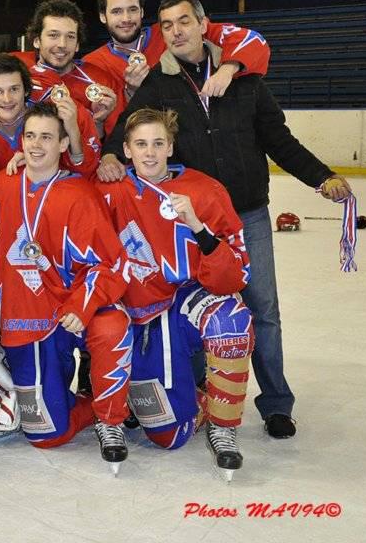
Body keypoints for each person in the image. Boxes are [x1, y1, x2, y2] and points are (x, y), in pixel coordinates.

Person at [98, 0, 353, 439]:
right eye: (166, 25)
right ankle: (200, 393)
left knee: (263, 309)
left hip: (249, 213)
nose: (176, 32)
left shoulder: (245, 80)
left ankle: (276, 403)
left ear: (203, 25)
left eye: (184, 22)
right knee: (196, 303)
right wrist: (108, 155)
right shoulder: (159, 83)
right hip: (194, 221)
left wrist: (321, 176)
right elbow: (127, 131)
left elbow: (279, 140)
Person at [97, 108, 254, 480]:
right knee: (169, 436)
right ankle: (190, 401)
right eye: (140, 144)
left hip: (186, 303)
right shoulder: (109, 190)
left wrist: (198, 225)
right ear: (126, 150)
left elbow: (236, 275)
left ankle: (223, 426)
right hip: (137, 314)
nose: (150, 153)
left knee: (231, 320)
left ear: (170, 147)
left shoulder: (205, 190)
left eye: (158, 143)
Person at [0, 103, 131, 474]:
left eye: (46, 137)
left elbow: (112, 264)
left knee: (112, 326)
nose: (36, 145)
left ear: (64, 144)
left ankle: (109, 416)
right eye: (30, 136)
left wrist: (83, 304)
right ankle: (83, 402)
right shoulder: (3, 183)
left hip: (72, 309)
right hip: (25, 316)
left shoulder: (79, 193)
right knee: (45, 433)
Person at [84, 0, 271, 104]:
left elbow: (252, 40)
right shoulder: (92, 64)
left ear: (141, 11)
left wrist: (227, 70)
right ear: (102, 16)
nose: (126, 18)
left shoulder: (170, 31)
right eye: (117, 11)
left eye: (132, 9)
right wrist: (132, 91)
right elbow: (110, 126)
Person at [0, 54, 97, 179]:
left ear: (26, 90)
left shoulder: (51, 118)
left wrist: (72, 131)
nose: (7, 99)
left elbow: (85, 173)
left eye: (14, 89)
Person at [18, 0, 122, 139]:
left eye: (70, 37)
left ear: (77, 44)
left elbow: (107, 146)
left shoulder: (100, 81)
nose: (62, 44)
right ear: (37, 41)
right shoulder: (21, 83)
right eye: (53, 35)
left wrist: (98, 121)